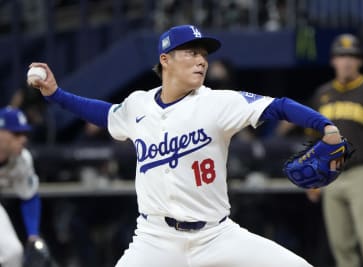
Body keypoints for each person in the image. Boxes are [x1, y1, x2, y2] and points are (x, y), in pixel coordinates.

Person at [29, 24, 344, 267]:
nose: (201, 61)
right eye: (191, 53)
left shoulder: (218, 102)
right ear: (165, 60)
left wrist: (325, 126)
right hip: (155, 239)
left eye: (204, 54)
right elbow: (104, 113)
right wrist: (57, 94)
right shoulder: (138, 105)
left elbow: (280, 105)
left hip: (216, 235)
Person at [306, 33, 363, 267]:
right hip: (331, 176)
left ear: (360, 61)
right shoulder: (322, 94)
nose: (346, 61)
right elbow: (314, 140)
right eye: (341, 56)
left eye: (351, 56)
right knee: (340, 243)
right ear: (333, 61)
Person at [0, 107, 44, 267]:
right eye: (16, 134)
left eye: (24, 134)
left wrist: (33, 235)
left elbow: (29, 195)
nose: (23, 139)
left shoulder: (22, 160)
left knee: (13, 254)